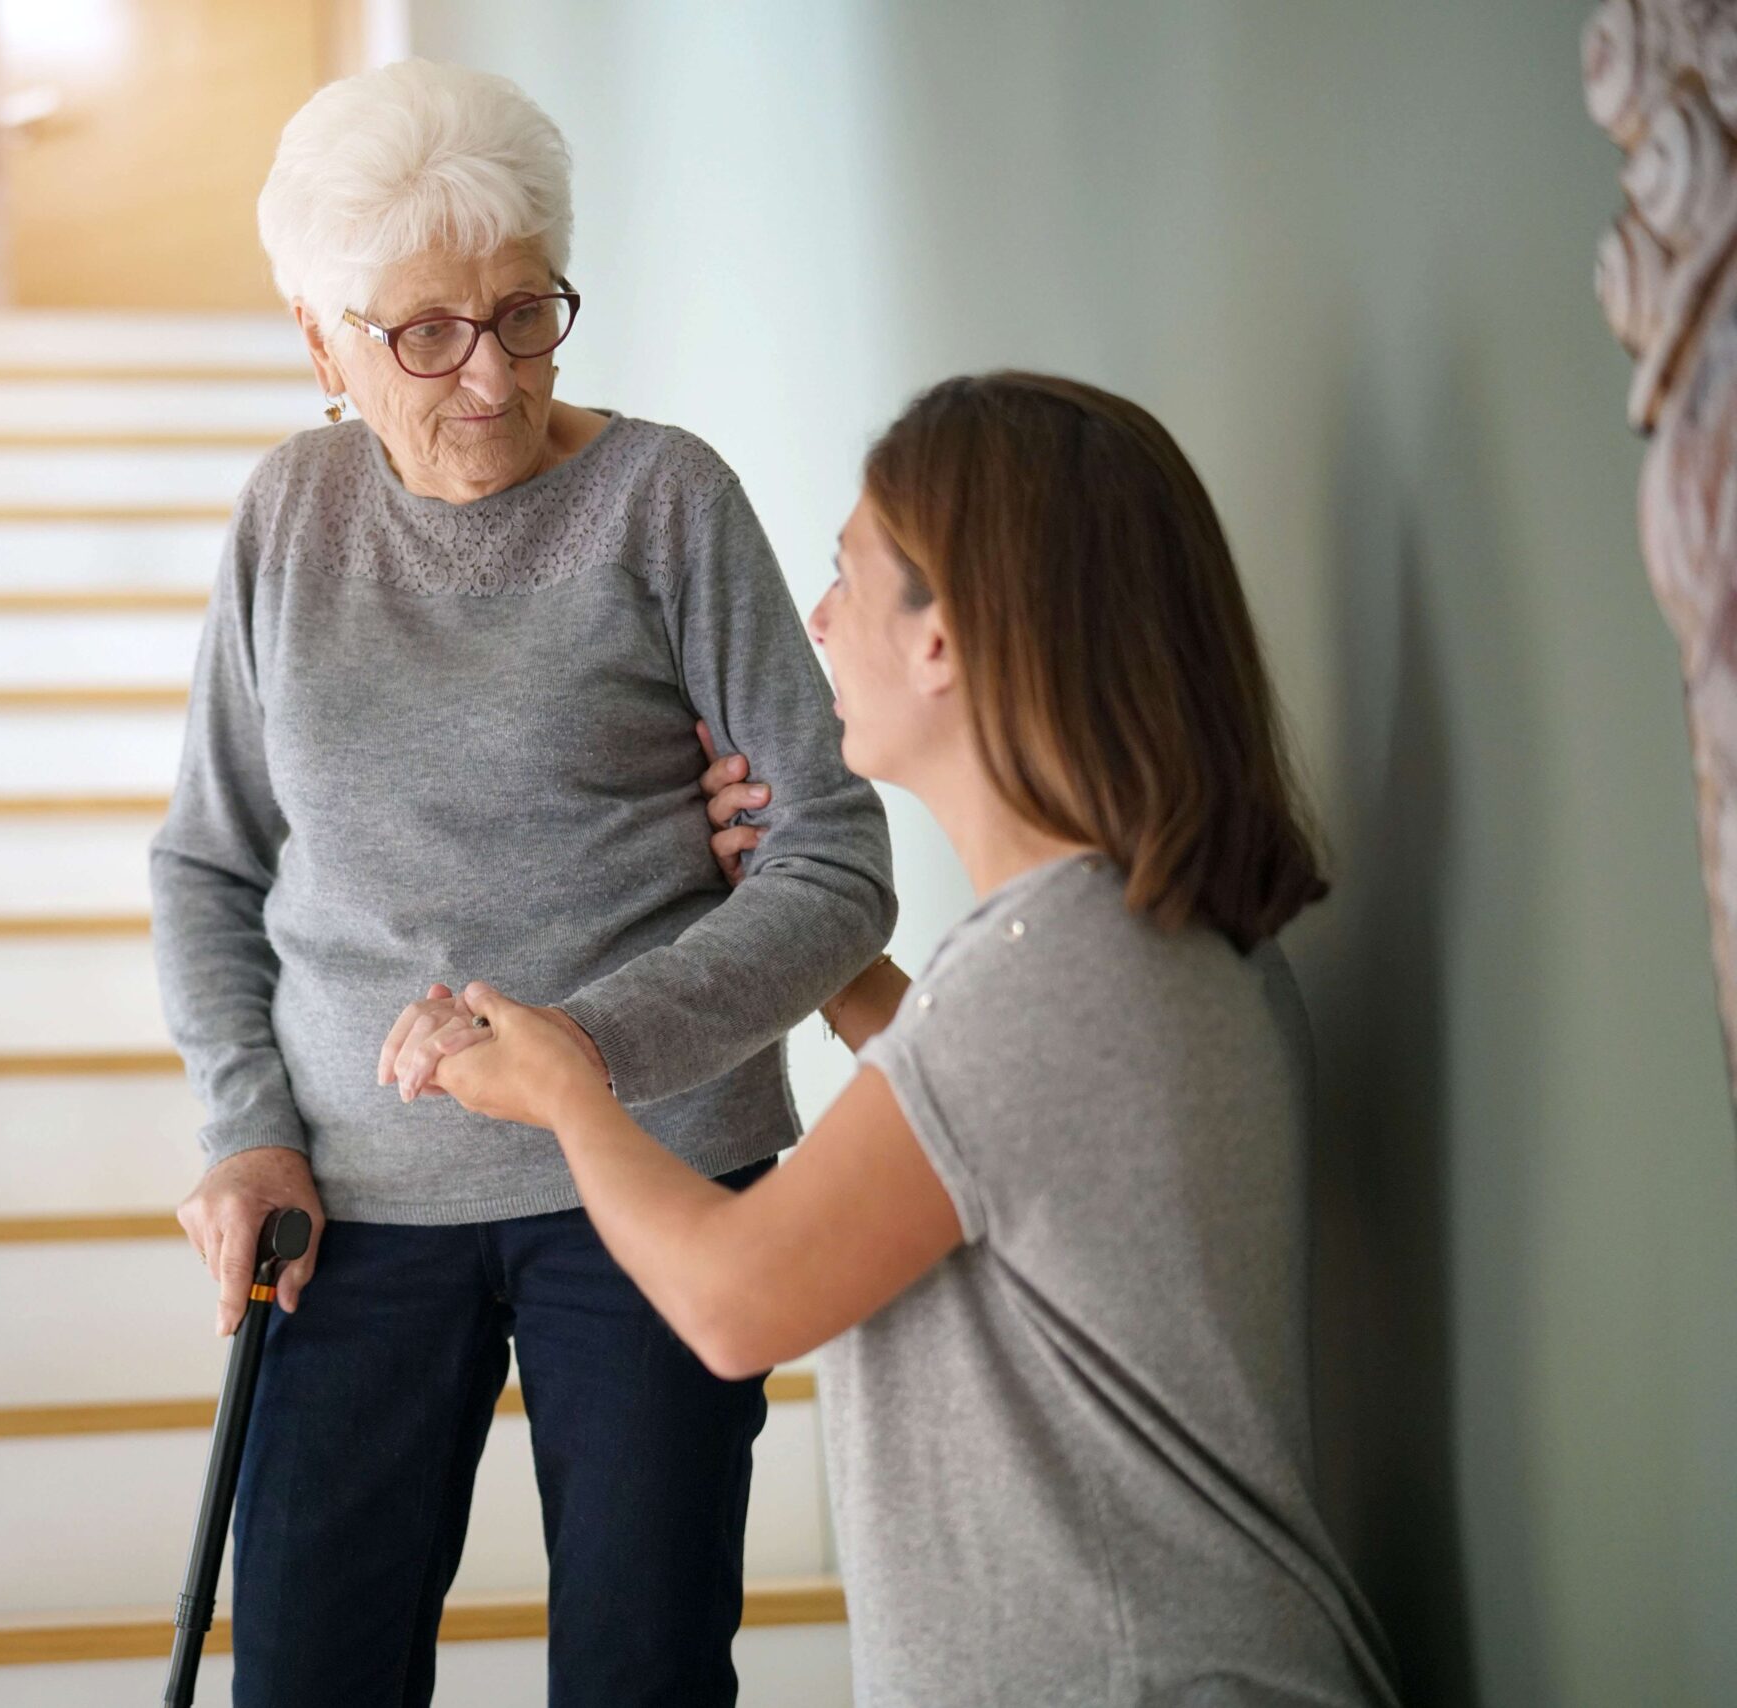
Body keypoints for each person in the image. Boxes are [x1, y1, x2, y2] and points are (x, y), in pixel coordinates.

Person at [426, 373, 1404, 1706]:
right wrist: (831, 959)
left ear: (944, 637)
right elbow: (985, 1146)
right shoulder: (1130, 943)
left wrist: (569, 1088)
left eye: (847, 577)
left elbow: (731, 1303)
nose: (818, 622)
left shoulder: (1049, 980)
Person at [148, 58, 898, 1708]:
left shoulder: (665, 500)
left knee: (642, 1674)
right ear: (320, 339)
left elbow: (835, 861)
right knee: (306, 1673)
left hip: (651, 1171)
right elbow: (209, 863)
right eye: (425, 332)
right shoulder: (289, 517)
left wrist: (579, 1058)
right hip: (350, 1203)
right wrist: (246, 1128)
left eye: (525, 316)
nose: (488, 378)